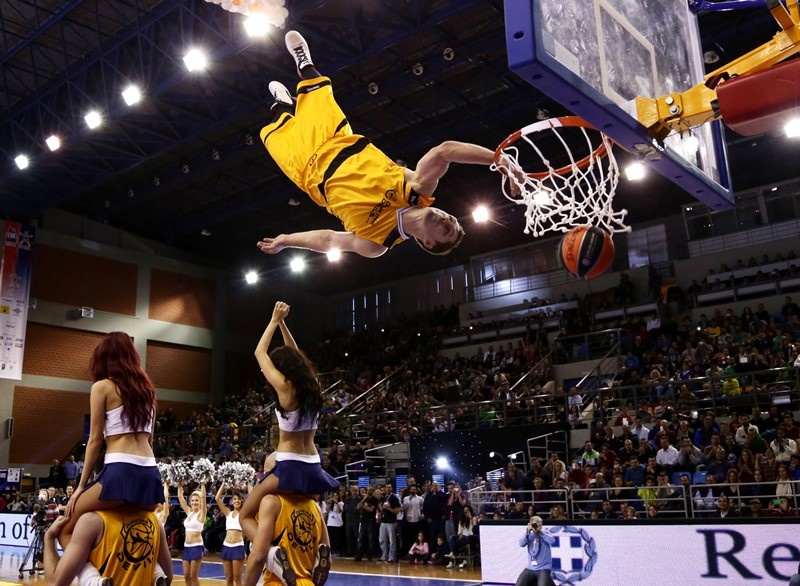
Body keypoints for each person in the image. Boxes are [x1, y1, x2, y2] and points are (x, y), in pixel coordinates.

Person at [256, 30, 522, 259]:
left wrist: (286, 239)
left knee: (277, 120)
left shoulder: (376, 244)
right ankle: (304, 61)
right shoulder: (417, 188)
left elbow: (329, 240)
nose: (447, 220)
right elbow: (445, 151)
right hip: (335, 141)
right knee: (314, 84)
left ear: (427, 243)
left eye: (446, 229)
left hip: (308, 171)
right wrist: (499, 159)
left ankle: (283, 103)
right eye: (451, 219)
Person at [239, 301, 338, 573]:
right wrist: (285, 324)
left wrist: (273, 320)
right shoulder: (313, 387)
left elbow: (259, 352)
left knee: (245, 514)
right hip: (314, 465)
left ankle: (270, 554)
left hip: (289, 465)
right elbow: (297, 355)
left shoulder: (285, 389)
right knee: (310, 506)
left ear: (281, 369)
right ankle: (323, 548)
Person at [59, 332, 165, 581]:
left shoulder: (102, 387)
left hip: (120, 470)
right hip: (150, 474)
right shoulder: (148, 391)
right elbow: (150, 439)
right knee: (135, 518)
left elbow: (95, 440)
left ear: (103, 357)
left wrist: (81, 486)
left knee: (65, 528)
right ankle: (158, 574)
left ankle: (93, 580)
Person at [243, 452, 331, 586]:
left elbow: (258, 557)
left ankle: (272, 553)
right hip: (307, 582)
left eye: (267, 474)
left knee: (246, 521)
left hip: (278, 582)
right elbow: (325, 547)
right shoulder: (315, 506)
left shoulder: (271, 502)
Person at [44, 505, 173, 586]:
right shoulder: (154, 520)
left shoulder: (92, 521)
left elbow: (56, 583)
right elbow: (169, 577)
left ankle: (93, 581)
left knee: (79, 560)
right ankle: (157, 575)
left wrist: (49, 538)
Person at [215, 483, 247, 586]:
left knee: (237, 578)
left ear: (242, 501)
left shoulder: (244, 513)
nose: (236, 501)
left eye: (238, 499)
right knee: (228, 578)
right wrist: (224, 483)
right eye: (234, 499)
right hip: (226, 547)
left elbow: (252, 496)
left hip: (238, 547)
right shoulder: (228, 513)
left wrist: (246, 483)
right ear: (231, 502)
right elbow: (217, 498)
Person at [178, 481, 207, 586]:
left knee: (193, 577)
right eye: (193, 500)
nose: (194, 502)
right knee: (186, 576)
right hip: (187, 547)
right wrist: (179, 483)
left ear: (200, 502)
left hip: (196, 547)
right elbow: (180, 497)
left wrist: (203, 484)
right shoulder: (189, 513)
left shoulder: (201, 514)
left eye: (197, 501)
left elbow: (204, 498)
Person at [515, 515, 555, 586]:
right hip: (531, 567)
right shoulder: (529, 535)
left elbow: (552, 541)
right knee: (519, 584)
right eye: (535, 524)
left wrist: (540, 533)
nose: (538, 526)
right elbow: (521, 544)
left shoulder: (545, 533)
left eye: (540, 524)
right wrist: (527, 531)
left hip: (543, 567)